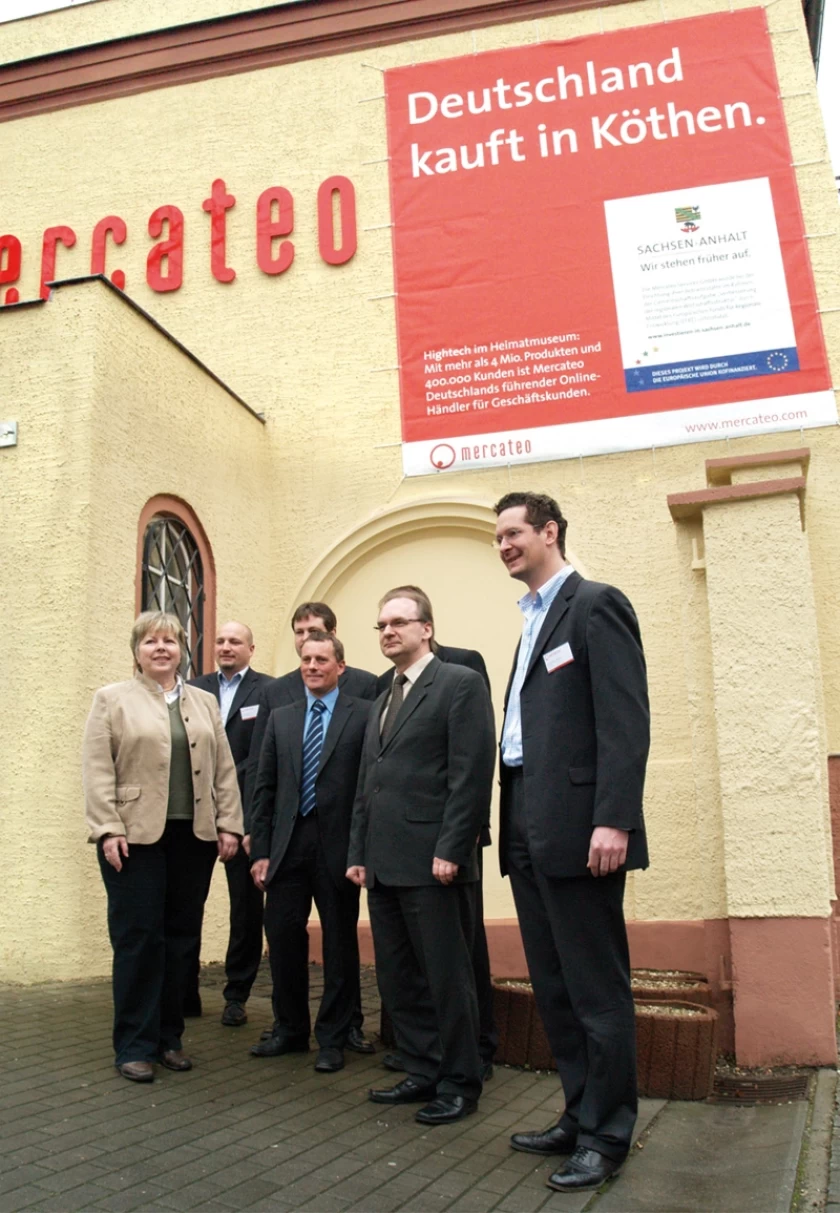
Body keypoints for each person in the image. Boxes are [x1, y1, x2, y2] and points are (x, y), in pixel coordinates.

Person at [493, 492, 650, 1194]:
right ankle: (578, 1111)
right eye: (497, 536)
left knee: (594, 987)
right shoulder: (529, 620)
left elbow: (625, 719)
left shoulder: (594, 604)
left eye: (514, 532)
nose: (503, 544)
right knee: (553, 984)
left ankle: (609, 1134)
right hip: (528, 816)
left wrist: (613, 817)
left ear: (550, 531)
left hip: (584, 825)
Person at [347, 587, 495, 1125]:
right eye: (381, 624)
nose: (388, 632)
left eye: (399, 622)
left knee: (447, 976)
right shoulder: (383, 695)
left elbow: (471, 775)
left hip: (436, 863)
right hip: (383, 864)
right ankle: (422, 1067)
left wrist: (452, 848)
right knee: (398, 976)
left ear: (426, 629)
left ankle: (460, 1081)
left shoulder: (459, 684)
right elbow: (370, 781)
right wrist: (358, 851)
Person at [83, 611, 243, 1082]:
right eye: (150, 641)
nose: (161, 648)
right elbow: (97, 769)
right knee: (138, 940)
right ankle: (134, 1044)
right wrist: (107, 828)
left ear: (181, 650)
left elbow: (225, 770)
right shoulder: (111, 699)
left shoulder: (204, 702)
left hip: (192, 837)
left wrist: (230, 824)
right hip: (133, 839)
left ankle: (169, 1038)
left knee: (180, 942)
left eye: (169, 641)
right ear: (137, 651)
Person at [245, 599, 377, 1054]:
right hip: (287, 844)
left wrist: (360, 851)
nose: (312, 665)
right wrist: (260, 849)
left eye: (322, 659)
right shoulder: (282, 717)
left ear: (340, 665)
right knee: (281, 934)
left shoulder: (363, 714)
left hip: (338, 844)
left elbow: (367, 788)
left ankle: (334, 1038)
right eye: (306, 659)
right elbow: (263, 788)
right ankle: (289, 1029)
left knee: (339, 943)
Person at [187, 621, 272, 1026]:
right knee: (186, 906)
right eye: (219, 640)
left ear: (250, 649)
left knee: (245, 910)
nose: (225, 646)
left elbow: (263, 763)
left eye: (235, 641)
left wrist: (253, 824)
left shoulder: (267, 691)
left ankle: (236, 994)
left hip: (243, 818)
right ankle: (184, 991)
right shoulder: (191, 689)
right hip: (196, 817)